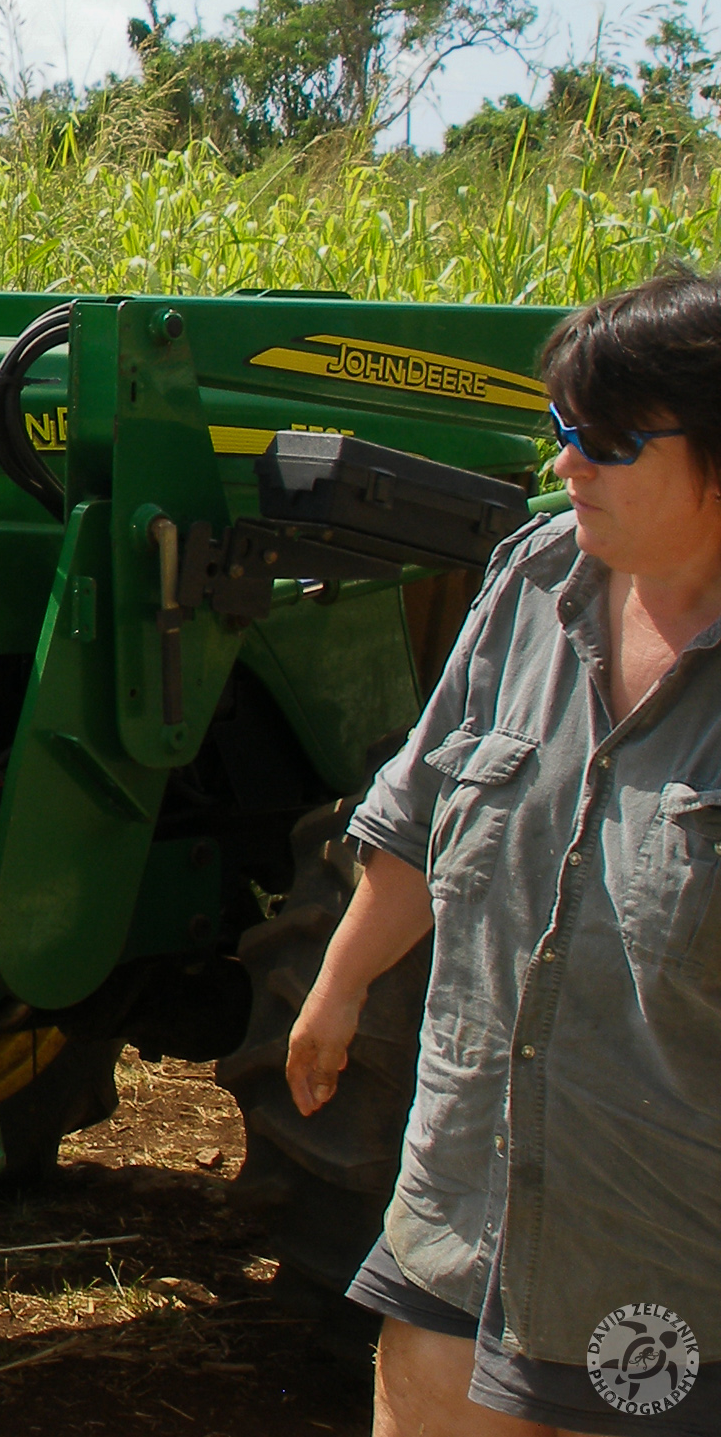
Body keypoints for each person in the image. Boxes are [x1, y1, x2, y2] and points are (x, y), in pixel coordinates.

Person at [286, 263, 721, 1437]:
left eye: (607, 441)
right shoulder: (535, 582)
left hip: (664, 1241)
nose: (563, 464)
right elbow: (424, 811)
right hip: (468, 1183)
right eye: (557, 429)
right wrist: (335, 987)